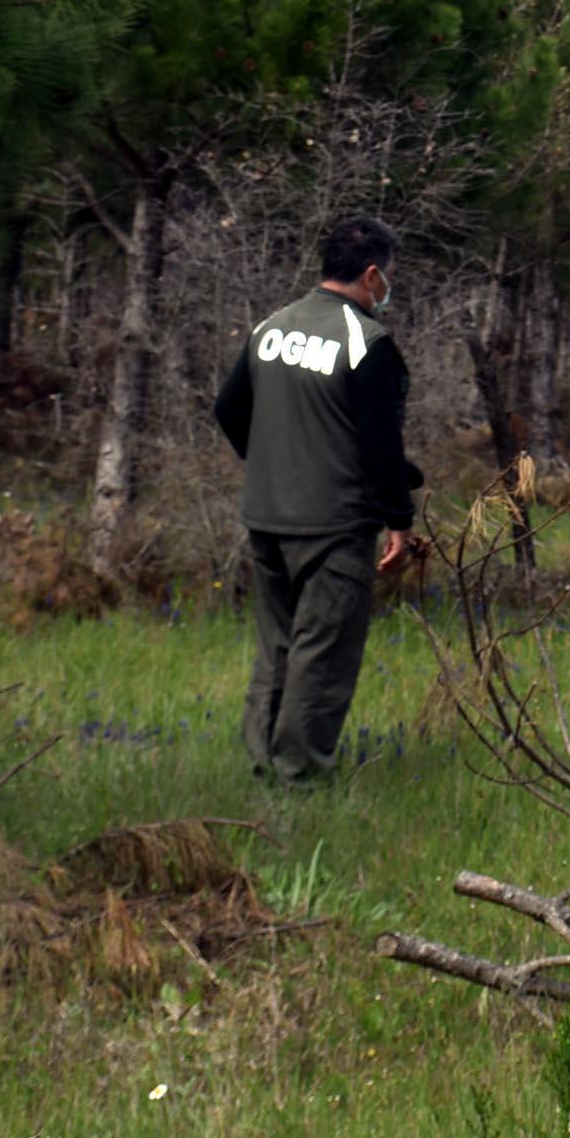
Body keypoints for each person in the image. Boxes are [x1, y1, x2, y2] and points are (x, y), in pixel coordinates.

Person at [212, 214, 424, 785]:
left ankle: (264, 762)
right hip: (333, 525)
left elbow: (229, 411)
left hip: (266, 516)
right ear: (372, 274)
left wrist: (279, 464)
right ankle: (299, 778)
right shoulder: (367, 342)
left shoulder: (272, 327)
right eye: (390, 277)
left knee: (277, 647)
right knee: (322, 655)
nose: (389, 289)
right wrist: (399, 521)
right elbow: (379, 446)